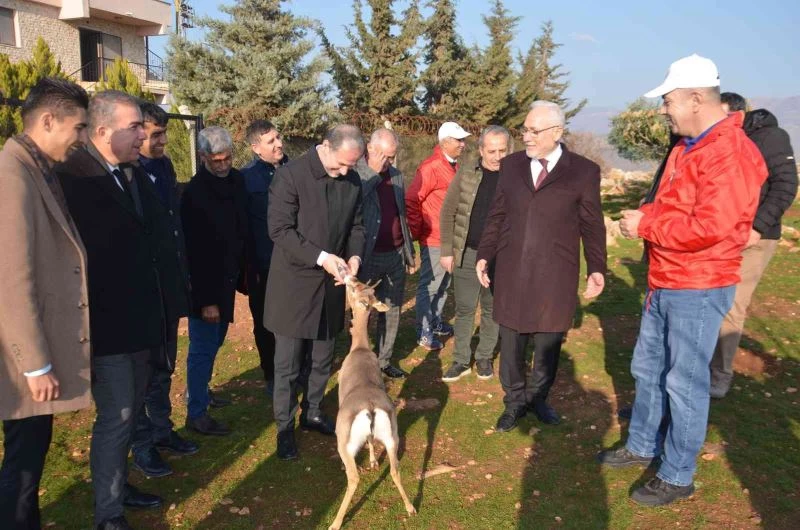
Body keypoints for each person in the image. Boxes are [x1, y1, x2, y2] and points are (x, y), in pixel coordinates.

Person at [598, 54, 768, 507]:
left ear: (697, 98)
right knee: (647, 368)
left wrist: (646, 227)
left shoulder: (729, 154)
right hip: (665, 279)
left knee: (685, 381)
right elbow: (676, 207)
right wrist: (647, 215)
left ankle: (677, 473)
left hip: (699, 284)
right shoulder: (686, 145)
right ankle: (641, 444)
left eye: (669, 100)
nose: (663, 109)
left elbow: (713, 227)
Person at [59, 90, 181, 529]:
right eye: (134, 127)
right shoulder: (73, 178)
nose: (143, 134)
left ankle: (118, 485)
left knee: (132, 411)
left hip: (142, 321)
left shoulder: (129, 173)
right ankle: (107, 514)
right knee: (118, 415)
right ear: (104, 130)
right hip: (107, 326)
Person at [476, 101, 606, 433]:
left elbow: (592, 224)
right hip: (512, 268)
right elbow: (497, 215)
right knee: (512, 340)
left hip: (556, 273)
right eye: (525, 130)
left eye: (534, 131)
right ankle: (514, 401)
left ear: (557, 132)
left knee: (548, 340)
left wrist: (597, 267)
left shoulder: (583, 171)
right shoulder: (511, 166)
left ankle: (538, 398)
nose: (527, 137)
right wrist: (484, 254)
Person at [0, 77, 91, 530]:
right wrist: (35, 365)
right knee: (21, 463)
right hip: (23, 363)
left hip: (34, 352)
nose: (81, 139)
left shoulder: (36, 167)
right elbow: (10, 280)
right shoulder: (12, 174)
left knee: (30, 458)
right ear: (49, 120)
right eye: (78, 128)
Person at [265, 124, 365, 460]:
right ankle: (284, 427)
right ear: (325, 147)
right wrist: (322, 258)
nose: (346, 171)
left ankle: (313, 411)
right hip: (294, 286)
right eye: (341, 164)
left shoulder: (352, 181)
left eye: (352, 166)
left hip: (331, 287)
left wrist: (354, 256)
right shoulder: (290, 176)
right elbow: (279, 229)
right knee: (288, 365)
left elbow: (357, 226)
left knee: (323, 357)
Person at [709, 92, 798, 398]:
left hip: (755, 238)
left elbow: (787, 184)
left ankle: (719, 376)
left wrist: (758, 226)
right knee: (708, 297)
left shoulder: (771, 138)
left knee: (732, 303)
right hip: (723, 233)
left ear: (738, 114)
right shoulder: (725, 139)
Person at [130, 102, 197, 479]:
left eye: (164, 134)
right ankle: (141, 446)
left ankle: (162, 430)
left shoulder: (166, 167)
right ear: (138, 133)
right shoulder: (127, 174)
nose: (161, 141)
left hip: (168, 289)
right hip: (142, 294)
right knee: (140, 373)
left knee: (164, 366)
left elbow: (174, 227)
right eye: (154, 134)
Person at [181, 126, 248, 437]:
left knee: (215, 341)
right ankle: (196, 413)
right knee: (203, 347)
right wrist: (205, 300)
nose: (223, 165)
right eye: (216, 160)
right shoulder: (194, 193)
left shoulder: (236, 182)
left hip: (227, 278)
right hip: (206, 286)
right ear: (203, 157)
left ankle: (202, 392)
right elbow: (194, 253)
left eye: (227, 159)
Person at [439, 125, 511, 382]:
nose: (497, 156)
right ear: (480, 150)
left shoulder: (515, 177)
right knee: (465, 308)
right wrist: (447, 251)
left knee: (492, 309)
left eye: (503, 150)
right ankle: (460, 360)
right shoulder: (467, 174)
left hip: (501, 257)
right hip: (468, 253)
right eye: (491, 151)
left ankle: (483, 357)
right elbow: (448, 212)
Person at [355, 128, 417, 379]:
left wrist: (408, 252)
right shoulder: (355, 173)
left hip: (394, 253)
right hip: (366, 255)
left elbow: (401, 214)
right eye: (385, 155)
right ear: (370, 148)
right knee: (363, 312)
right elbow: (354, 203)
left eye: (392, 156)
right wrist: (373, 173)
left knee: (391, 309)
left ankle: (383, 361)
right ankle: (361, 359)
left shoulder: (397, 176)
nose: (389, 161)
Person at [406, 121, 471, 350]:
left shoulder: (452, 165)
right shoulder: (432, 166)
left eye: (463, 140)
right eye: (459, 140)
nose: (463, 144)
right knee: (430, 286)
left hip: (450, 238)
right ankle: (423, 331)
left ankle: (434, 322)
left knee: (443, 284)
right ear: (445, 142)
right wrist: (417, 231)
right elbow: (412, 200)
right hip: (434, 238)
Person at [241, 119, 288, 395]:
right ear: (256, 147)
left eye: (278, 137)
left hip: (294, 263)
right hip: (263, 265)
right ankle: (271, 373)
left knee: (294, 318)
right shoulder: (246, 179)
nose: (279, 144)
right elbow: (243, 226)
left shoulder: (293, 169)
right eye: (271, 141)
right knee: (265, 322)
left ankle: (296, 369)